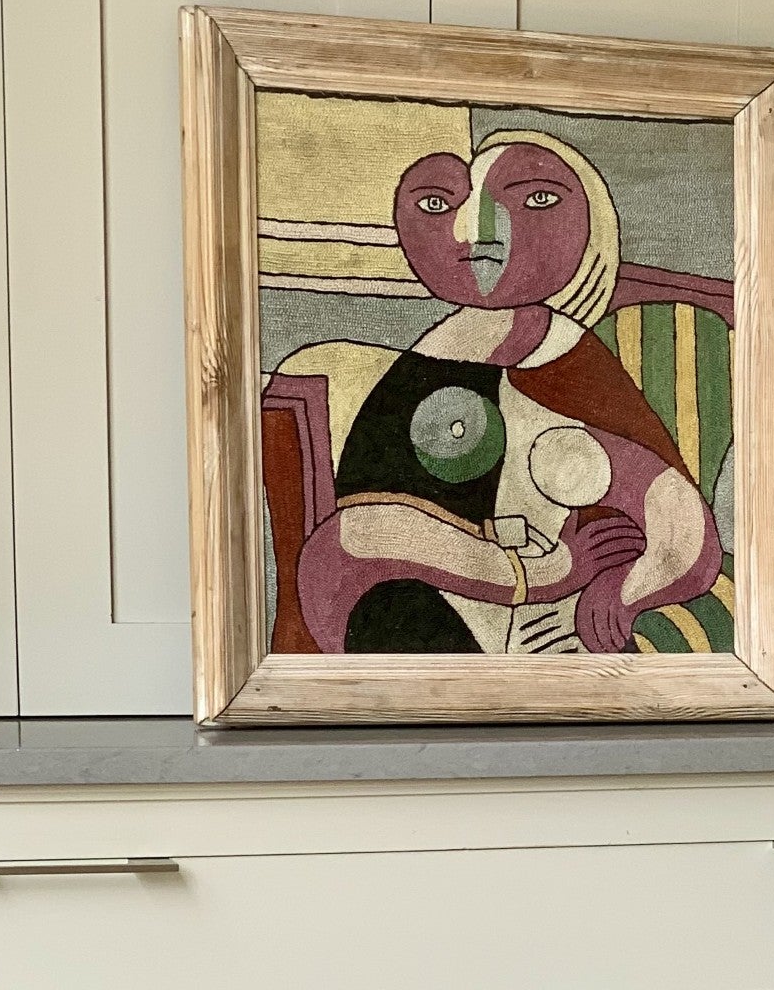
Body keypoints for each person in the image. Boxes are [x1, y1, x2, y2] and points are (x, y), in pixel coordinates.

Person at [263, 131, 722, 656]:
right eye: (439, 204)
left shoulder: (567, 360)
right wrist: (540, 572)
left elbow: (679, 520)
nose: (477, 232)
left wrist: (625, 591)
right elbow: (350, 545)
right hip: (414, 614)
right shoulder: (421, 366)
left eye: (537, 200)